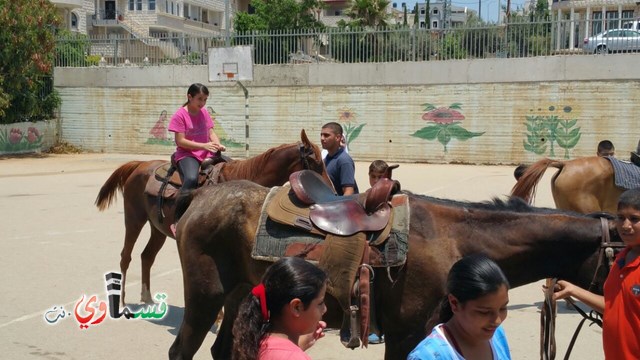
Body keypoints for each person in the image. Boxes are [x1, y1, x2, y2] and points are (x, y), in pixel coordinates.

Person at [551, 188, 640, 360]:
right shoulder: (621, 259)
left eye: (634, 219)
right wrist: (573, 290)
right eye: (620, 217)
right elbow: (613, 307)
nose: (625, 225)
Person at [408, 254, 512, 360]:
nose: (497, 321)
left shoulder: (496, 334)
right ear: (454, 303)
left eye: (503, 308)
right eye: (484, 312)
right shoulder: (427, 356)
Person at [232, 257, 328, 360]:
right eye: (320, 303)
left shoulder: (254, 344)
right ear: (296, 307)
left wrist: (296, 346)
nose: (325, 309)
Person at [168, 83, 226, 233]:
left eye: (205, 99)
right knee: (191, 179)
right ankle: (177, 219)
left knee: (230, 166)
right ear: (189, 97)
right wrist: (204, 146)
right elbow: (180, 141)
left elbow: (211, 132)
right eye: (199, 99)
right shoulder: (180, 115)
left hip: (205, 151)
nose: (202, 103)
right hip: (187, 154)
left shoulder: (204, 112)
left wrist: (217, 144)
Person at [320, 122, 358, 196]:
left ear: (337, 137)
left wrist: (339, 207)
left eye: (326, 135)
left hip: (341, 206)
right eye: (321, 135)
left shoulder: (344, 161)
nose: (322, 138)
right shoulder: (326, 160)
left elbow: (349, 192)